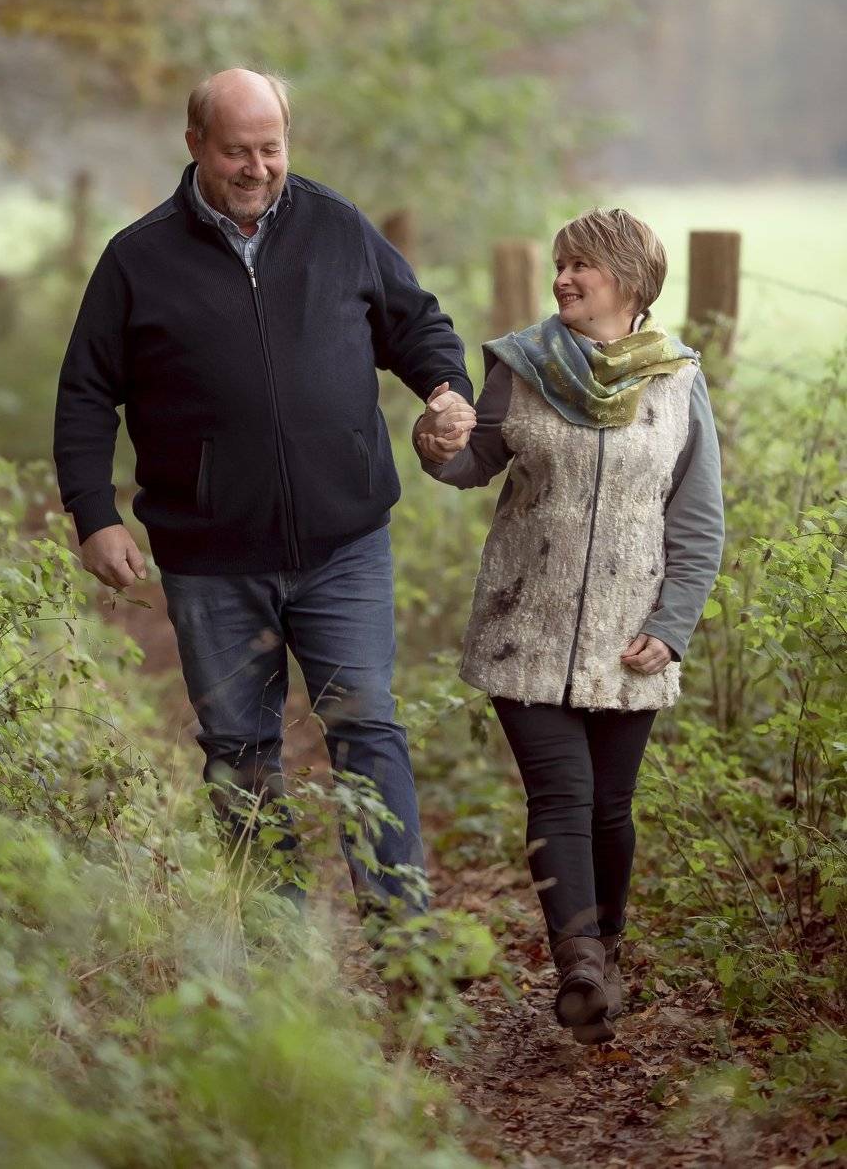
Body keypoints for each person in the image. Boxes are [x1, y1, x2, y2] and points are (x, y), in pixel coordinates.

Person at [53, 67, 475, 924]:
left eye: (271, 148)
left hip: (344, 544)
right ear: (195, 145)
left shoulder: (336, 226)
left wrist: (446, 390)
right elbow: (86, 392)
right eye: (236, 151)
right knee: (241, 751)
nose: (257, 168)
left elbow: (417, 324)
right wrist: (95, 514)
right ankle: (280, 949)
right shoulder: (138, 258)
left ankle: (406, 938)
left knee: (367, 727)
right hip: (210, 559)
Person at [413, 207, 724, 1042]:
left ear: (629, 279)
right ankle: (579, 962)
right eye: (559, 263)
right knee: (562, 795)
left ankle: (605, 953)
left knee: (611, 808)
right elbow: (471, 463)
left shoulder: (678, 381)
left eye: (581, 264)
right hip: (524, 628)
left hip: (630, 643)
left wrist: (673, 626)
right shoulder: (523, 365)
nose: (562, 279)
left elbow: (698, 525)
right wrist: (437, 441)